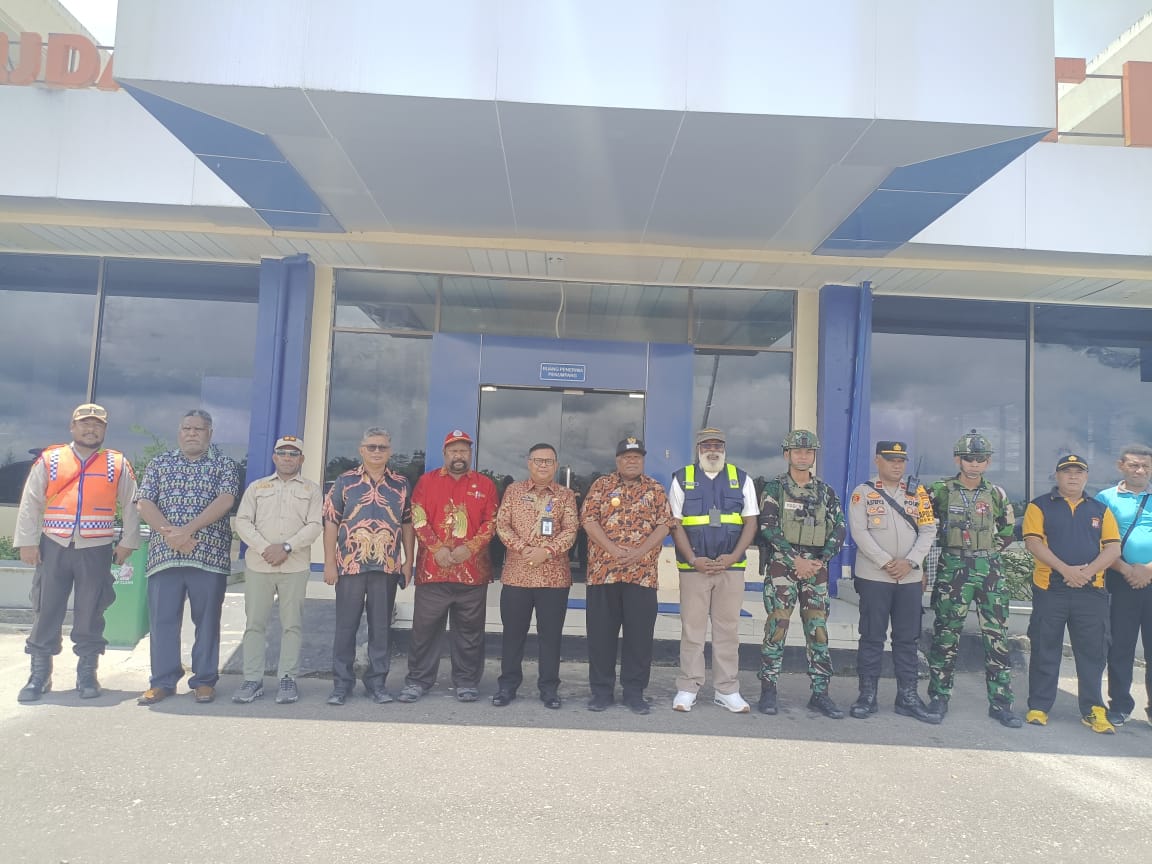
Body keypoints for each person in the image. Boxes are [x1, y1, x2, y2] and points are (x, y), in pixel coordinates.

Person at [14, 403, 140, 702]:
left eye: (97, 424)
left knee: (91, 611)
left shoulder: (116, 463)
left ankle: (87, 672)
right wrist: (27, 542)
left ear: (105, 430)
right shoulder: (51, 459)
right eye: (85, 423)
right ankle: (39, 675)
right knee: (46, 610)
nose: (90, 428)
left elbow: (133, 504)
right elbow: (31, 502)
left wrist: (128, 542)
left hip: (95, 548)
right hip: (53, 545)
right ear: (73, 427)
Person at [135, 409, 239, 705]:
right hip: (164, 556)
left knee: (207, 621)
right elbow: (144, 501)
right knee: (163, 621)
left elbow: (226, 500)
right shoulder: (160, 463)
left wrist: (188, 530)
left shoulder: (224, 465)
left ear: (210, 433)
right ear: (179, 432)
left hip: (208, 556)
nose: (192, 433)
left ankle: (204, 680)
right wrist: (172, 535)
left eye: (199, 429)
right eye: (187, 428)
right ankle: (163, 681)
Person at [925, 429, 1022, 728]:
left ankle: (1001, 703)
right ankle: (939, 697)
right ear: (958, 459)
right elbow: (923, 524)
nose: (974, 464)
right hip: (953, 566)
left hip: (989, 570)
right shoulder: (940, 490)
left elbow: (1008, 528)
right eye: (969, 458)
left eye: (980, 459)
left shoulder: (996, 493)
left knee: (996, 638)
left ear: (988, 462)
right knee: (946, 634)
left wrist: (989, 550)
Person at [398, 430, 497, 703]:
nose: (459, 455)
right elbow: (417, 516)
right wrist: (436, 548)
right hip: (433, 572)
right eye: (454, 450)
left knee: (470, 633)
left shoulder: (484, 485)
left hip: (472, 574)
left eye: (464, 450)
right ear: (445, 454)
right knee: (424, 631)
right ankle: (418, 681)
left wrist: (471, 547)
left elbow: (492, 522)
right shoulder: (426, 482)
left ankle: (466, 682)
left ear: (470, 454)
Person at [1023, 455, 1120, 733]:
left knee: (1093, 653)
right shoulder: (1039, 506)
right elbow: (1032, 542)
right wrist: (1066, 570)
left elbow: (1113, 549)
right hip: (1050, 590)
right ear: (1057, 476)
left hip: (1091, 592)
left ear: (1086, 477)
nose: (1073, 477)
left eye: (1079, 473)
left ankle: (1093, 710)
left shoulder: (1100, 510)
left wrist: (1085, 573)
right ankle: (1039, 706)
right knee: (1045, 648)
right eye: (1067, 472)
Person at [846, 441, 939, 723]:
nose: (897, 465)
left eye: (901, 461)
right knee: (872, 637)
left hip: (909, 578)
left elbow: (928, 529)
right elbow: (859, 532)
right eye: (891, 460)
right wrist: (887, 562)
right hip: (875, 576)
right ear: (877, 461)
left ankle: (908, 697)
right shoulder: (863, 493)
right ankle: (867, 696)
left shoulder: (918, 493)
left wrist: (910, 562)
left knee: (907, 640)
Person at [756, 429, 846, 718]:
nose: (803, 456)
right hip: (784, 566)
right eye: (797, 451)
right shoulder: (774, 489)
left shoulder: (826, 492)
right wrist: (795, 559)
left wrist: (820, 561)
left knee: (818, 632)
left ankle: (820, 693)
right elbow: (768, 527)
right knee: (777, 629)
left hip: (816, 570)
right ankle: (768, 690)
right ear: (787, 455)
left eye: (809, 452)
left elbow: (839, 528)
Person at [668, 427, 758, 714]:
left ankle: (727, 689)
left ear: (724, 448)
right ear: (698, 449)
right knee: (692, 630)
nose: (713, 449)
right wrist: (694, 559)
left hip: (730, 568)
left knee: (727, 631)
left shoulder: (741, 478)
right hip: (694, 569)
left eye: (718, 444)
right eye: (707, 445)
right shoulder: (682, 478)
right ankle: (688, 687)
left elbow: (751, 523)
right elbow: (675, 524)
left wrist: (733, 557)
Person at [322, 427, 414, 705]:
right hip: (350, 565)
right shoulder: (344, 481)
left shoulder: (401, 484)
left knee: (381, 628)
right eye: (371, 447)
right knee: (346, 628)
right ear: (361, 450)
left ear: (390, 451)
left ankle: (377, 684)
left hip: (386, 567)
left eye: (382, 447)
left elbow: (408, 524)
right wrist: (329, 562)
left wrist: (409, 561)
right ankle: (341, 684)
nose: (377, 451)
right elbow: (330, 522)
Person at [581, 437, 673, 715]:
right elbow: (587, 519)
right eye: (626, 456)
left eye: (637, 456)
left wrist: (639, 551)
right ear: (617, 460)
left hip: (642, 576)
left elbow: (665, 524)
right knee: (600, 637)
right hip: (603, 575)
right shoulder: (601, 486)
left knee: (639, 639)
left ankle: (634, 693)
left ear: (643, 460)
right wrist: (612, 549)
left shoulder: (655, 489)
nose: (631, 460)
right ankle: (601, 692)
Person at [232, 435, 323, 705]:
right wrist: (265, 548)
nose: (287, 457)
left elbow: (315, 525)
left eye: (293, 454)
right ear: (274, 457)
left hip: (294, 566)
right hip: (260, 565)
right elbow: (243, 521)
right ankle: (252, 679)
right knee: (254, 624)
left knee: (292, 625)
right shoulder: (257, 487)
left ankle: (287, 678)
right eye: (282, 453)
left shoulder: (311, 490)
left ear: (301, 459)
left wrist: (286, 547)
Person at [491, 443, 579, 709]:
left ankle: (549, 689)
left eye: (549, 461)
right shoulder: (514, 491)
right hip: (517, 577)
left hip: (553, 579)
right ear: (529, 463)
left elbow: (572, 528)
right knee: (512, 635)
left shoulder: (565, 496)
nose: (543, 465)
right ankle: (507, 686)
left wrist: (548, 551)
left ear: (556, 466)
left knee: (550, 637)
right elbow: (501, 525)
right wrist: (523, 549)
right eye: (538, 460)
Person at [1097, 444, 1152, 727]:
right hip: (1120, 580)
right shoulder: (1105, 498)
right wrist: (1127, 569)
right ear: (1121, 466)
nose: (1140, 470)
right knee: (1120, 647)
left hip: (1150, 577)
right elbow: (1100, 541)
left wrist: (1147, 570)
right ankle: (1119, 705)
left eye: (1145, 465)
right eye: (1134, 465)